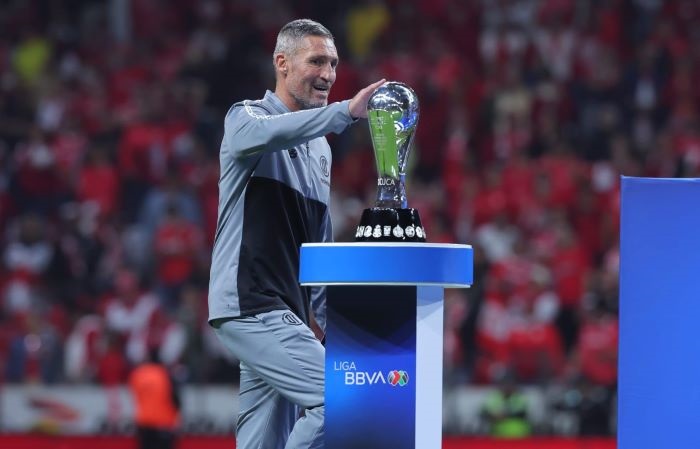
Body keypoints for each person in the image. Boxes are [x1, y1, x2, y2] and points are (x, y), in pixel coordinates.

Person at [207, 18, 384, 449]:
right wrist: (343, 112)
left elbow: (317, 246)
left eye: (334, 63)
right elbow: (263, 134)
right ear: (282, 63)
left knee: (262, 440)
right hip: (251, 302)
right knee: (341, 399)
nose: (329, 74)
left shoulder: (320, 146)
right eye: (317, 61)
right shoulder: (246, 116)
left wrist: (329, 323)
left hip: (284, 312)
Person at [129, 349, 181, 449]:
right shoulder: (165, 374)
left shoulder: (137, 374)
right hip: (163, 423)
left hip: (143, 422)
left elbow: (135, 393)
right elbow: (175, 399)